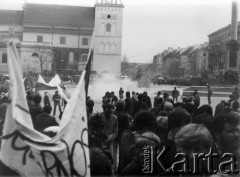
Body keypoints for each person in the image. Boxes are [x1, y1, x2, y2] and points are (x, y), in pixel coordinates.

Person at [118, 111, 159, 176]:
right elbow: (130, 157)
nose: (152, 129)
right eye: (151, 127)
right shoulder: (128, 137)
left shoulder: (152, 139)